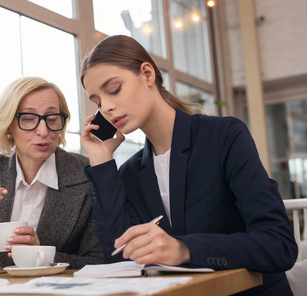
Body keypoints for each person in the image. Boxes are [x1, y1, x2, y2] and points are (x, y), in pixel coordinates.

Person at [79, 35, 297, 295]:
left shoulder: (224, 136)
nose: (108, 107)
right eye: (98, 102)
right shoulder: (130, 173)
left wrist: (184, 249)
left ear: (147, 73)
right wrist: (101, 159)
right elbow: (120, 259)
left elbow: (279, 244)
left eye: (114, 89)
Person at [0, 76, 104, 269]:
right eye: (28, 119)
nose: (43, 131)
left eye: (52, 119)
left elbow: (101, 260)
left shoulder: (86, 174)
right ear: (9, 124)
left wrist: (41, 255)